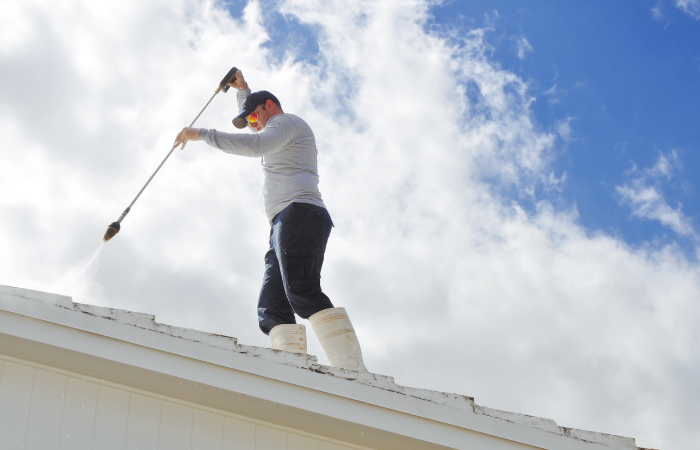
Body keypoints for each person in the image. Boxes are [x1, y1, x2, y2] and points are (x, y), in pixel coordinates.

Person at [173, 70, 367, 371]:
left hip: (299, 212)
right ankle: (293, 371)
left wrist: (200, 134)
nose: (254, 124)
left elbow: (256, 145)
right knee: (273, 308)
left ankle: (354, 372)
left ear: (271, 106)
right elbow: (256, 131)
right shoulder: (272, 126)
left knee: (301, 290)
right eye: (249, 120)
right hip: (283, 222)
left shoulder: (286, 123)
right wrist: (244, 90)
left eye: (255, 116)